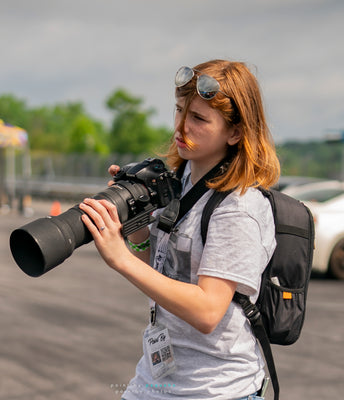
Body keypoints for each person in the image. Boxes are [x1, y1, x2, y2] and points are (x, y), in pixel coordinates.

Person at [78, 59, 280, 400]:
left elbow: (207, 312)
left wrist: (119, 260)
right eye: (179, 110)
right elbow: (162, 273)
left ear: (235, 132)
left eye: (199, 118)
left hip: (215, 390)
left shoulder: (239, 207)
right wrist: (135, 224)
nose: (180, 127)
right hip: (155, 382)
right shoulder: (179, 182)